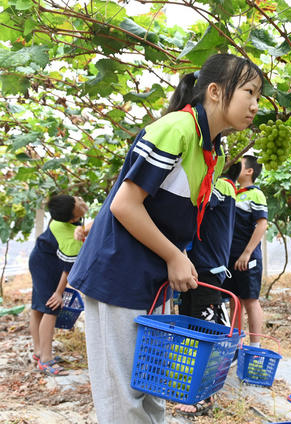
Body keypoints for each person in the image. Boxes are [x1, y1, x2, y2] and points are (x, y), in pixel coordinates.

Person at [67, 53, 262, 423]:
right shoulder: (177, 129)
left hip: (151, 281)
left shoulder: (211, 151)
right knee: (123, 399)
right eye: (250, 92)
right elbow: (125, 205)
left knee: (150, 391)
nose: (255, 105)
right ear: (217, 92)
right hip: (118, 276)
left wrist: (180, 259)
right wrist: (175, 256)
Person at [175, 161, 242, 416]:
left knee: (204, 333)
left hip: (207, 271)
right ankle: (193, 387)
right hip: (193, 270)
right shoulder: (218, 186)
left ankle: (204, 396)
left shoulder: (223, 187)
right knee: (191, 327)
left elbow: (194, 200)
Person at [29, 194, 88, 376]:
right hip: (46, 266)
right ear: (74, 217)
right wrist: (58, 292)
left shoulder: (62, 220)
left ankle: (38, 351)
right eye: (77, 202)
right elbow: (67, 269)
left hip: (41, 259)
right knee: (51, 308)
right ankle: (46, 359)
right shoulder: (71, 238)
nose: (80, 198)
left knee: (38, 308)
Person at [222, 154, 268, 348]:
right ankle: (236, 345)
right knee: (235, 301)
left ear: (249, 171)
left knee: (250, 300)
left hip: (247, 257)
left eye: (238, 165)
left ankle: (255, 347)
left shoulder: (255, 194)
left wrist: (247, 253)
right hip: (232, 257)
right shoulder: (234, 193)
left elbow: (262, 225)